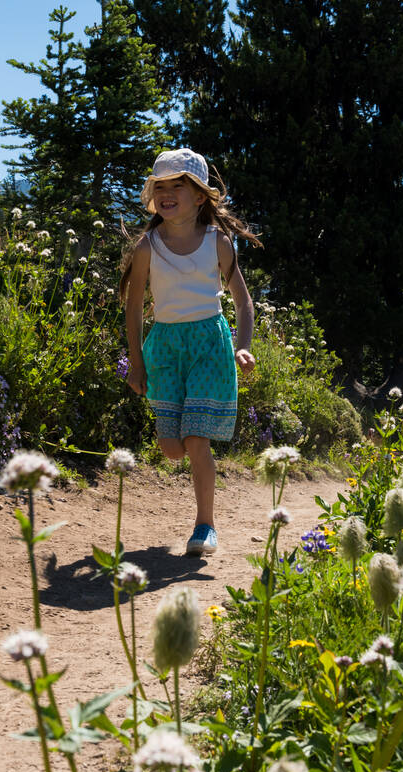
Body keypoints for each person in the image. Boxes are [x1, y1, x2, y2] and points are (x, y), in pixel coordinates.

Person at [120, 147, 260, 557]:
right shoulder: (148, 246)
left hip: (209, 345)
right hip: (164, 346)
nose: (165, 193)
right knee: (172, 448)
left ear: (199, 196)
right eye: (159, 186)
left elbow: (243, 302)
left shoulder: (218, 242)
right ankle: (187, 459)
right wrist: (137, 361)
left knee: (196, 439)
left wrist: (243, 347)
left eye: (175, 186)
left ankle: (205, 526)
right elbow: (132, 308)